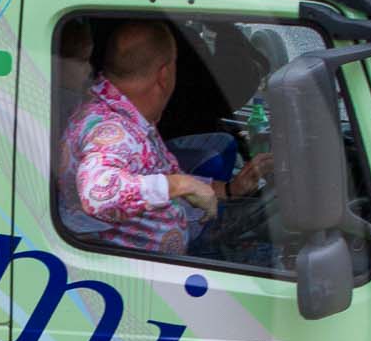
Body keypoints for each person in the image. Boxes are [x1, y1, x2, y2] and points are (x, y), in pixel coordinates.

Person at [58, 22, 268, 257]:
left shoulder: (123, 114)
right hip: (149, 274)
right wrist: (180, 185)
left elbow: (158, 179)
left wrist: (229, 189)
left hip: (180, 243)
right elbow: (100, 195)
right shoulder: (112, 131)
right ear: (165, 75)